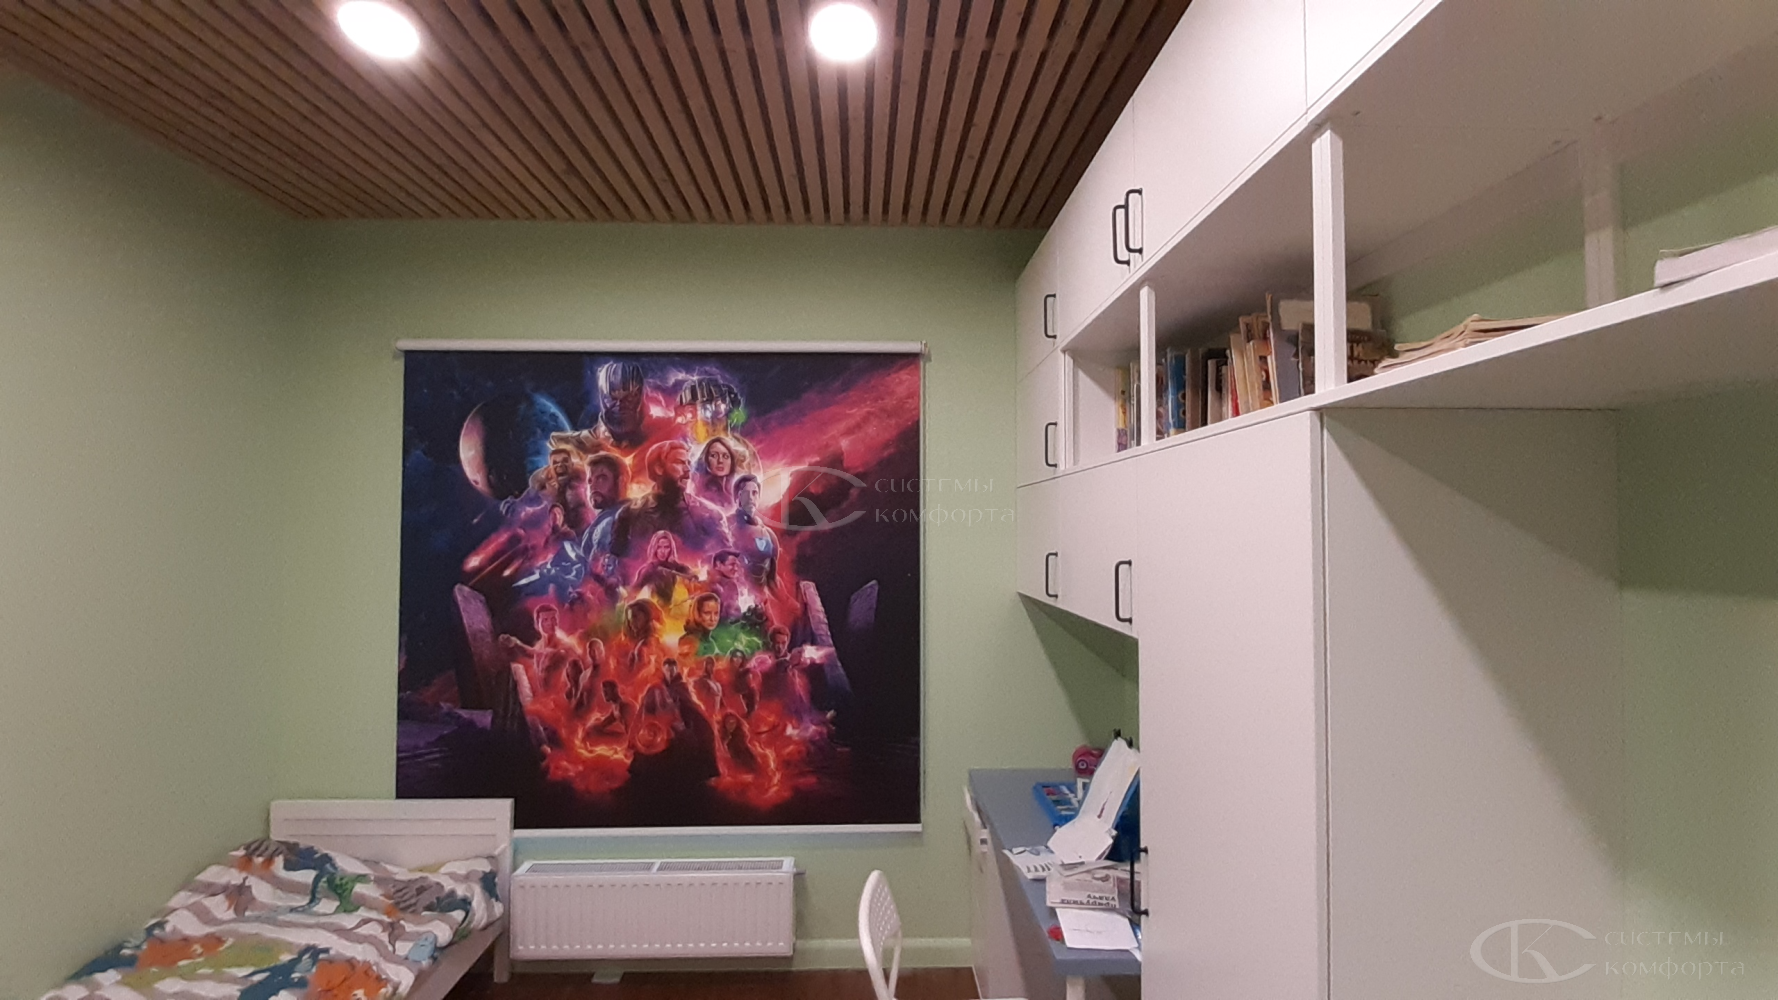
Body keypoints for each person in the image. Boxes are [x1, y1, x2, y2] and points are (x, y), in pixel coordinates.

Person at [608, 440, 730, 558]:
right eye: (679, 462)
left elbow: (726, 560)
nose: (687, 469)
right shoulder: (629, 515)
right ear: (659, 468)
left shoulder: (710, 515)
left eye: (688, 463)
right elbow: (617, 562)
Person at [728, 474, 779, 586]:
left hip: (760, 590)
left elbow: (772, 579)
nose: (750, 498)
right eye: (745, 493)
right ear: (737, 497)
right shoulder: (725, 526)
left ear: (759, 497)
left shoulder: (769, 535)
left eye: (754, 493)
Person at [631, 530, 693, 607]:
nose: (662, 551)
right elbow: (634, 592)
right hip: (654, 608)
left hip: (675, 608)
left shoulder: (677, 567)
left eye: (666, 547)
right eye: (659, 547)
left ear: (671, 549)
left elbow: (691, 575)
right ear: (654, 548)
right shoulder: (648, 569)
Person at [692, 436, 743, 507]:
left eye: (725, 456)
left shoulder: (740, 492)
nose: (720, 461)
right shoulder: (695, 490)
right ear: (705, 458)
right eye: (714, 455)